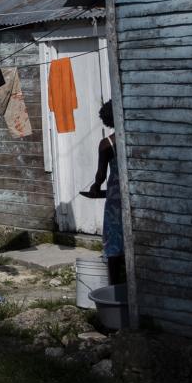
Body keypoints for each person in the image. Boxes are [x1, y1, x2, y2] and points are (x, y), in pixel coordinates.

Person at [78, 99, 127, 290]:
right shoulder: (133, 139)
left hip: (115, 198)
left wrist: (95, 187)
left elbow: (101, 174)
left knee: (114, 238)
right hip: (133, 194)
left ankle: (114, 285)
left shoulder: (107, 144)